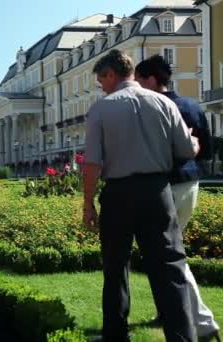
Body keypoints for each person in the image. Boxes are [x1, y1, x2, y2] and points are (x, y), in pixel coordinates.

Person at [82, 49, 200, 342]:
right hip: (157, 192)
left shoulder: (101, 110)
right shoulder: (163, 103)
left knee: (116, 267)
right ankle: (182, 337)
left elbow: (92, 163)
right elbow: (186, 151)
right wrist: (194, 142)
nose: (101, 86)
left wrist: (88, 204)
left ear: (111, 74)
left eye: (101, 80)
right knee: (170, 268)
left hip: (118, 194)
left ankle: (116, 336)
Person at [135, 55, 220, 342]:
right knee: (171, 252)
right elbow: (205, 148)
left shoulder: (153, 107)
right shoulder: (192, 105)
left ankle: (204, 322)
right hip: (191, 181)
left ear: (149, 79)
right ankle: (170, 310)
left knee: (170, 257)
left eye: (138, 80)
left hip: (165, 186)